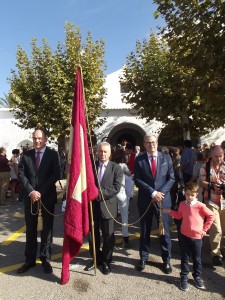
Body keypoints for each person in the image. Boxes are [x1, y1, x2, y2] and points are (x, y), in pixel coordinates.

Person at [17, 128, 60, 274]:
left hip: (46, 198)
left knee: (47, 230)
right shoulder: (26, 155)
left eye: (40, 138)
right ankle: (29, 260)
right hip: (30, 199)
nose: (37, 141)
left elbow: (56, 174)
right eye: (35, 138)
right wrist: (32, 191)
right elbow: (21, 175)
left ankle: (45, 259)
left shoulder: (53, 154)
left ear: (45, 139)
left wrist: (40, 192)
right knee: (30, 230)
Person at [134, 133, 175, 274]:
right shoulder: (139, 159)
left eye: (153, 142)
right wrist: (152, 193)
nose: (151, 145)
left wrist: (160, 194)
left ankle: (166, 260)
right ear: (144, 144)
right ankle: (143, 258)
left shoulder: (166, 158)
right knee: (145, 231)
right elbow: (137, 180)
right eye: (148, 142)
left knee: (164, 232)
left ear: (157, 143)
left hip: (163, 201)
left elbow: (171, 178)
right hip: (146, 200)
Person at [163, 182, 214, 292]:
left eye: (192, 195)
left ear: (196, 194)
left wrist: (205, 229)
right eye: (187, 194)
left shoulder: (200, 206)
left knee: (197, 259)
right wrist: (169, 211)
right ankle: (184, 277)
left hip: (196, 238)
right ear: (184, 193)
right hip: (184, 235)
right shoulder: (182, 204)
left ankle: (197, 276)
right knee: (185, 258)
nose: (189, 197)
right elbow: (179, 215)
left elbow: (211, 215)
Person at [84, 142, 123, 275]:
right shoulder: (92, 166)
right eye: (100, 151)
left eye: (105, 152)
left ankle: (106, 261)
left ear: (110, 153)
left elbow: (116, 187)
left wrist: (98, 194)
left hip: (108, 206)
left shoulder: (116, 168)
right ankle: (96, 259)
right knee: (92, 236)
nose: (102, 154)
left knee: (108, 236)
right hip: (92, 207)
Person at [199, 145, 225, 266]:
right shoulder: (206, 166)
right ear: (211, 156)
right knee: (216, 228)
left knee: (223, 229)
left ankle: (220, 248)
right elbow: (201, 182)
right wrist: (211, 186)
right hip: (211, 201)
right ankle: (216, 254)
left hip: (224, 201)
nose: (218, 158)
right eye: (216, 156)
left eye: (220, 156)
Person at [112, 148, 132, 248]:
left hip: (112, 192)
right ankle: (125, 239)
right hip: (121, 192)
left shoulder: (110, 165)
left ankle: (111, 238)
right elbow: (129, 174)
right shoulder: (123, 166)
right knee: (124, 217)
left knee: (111, 217)